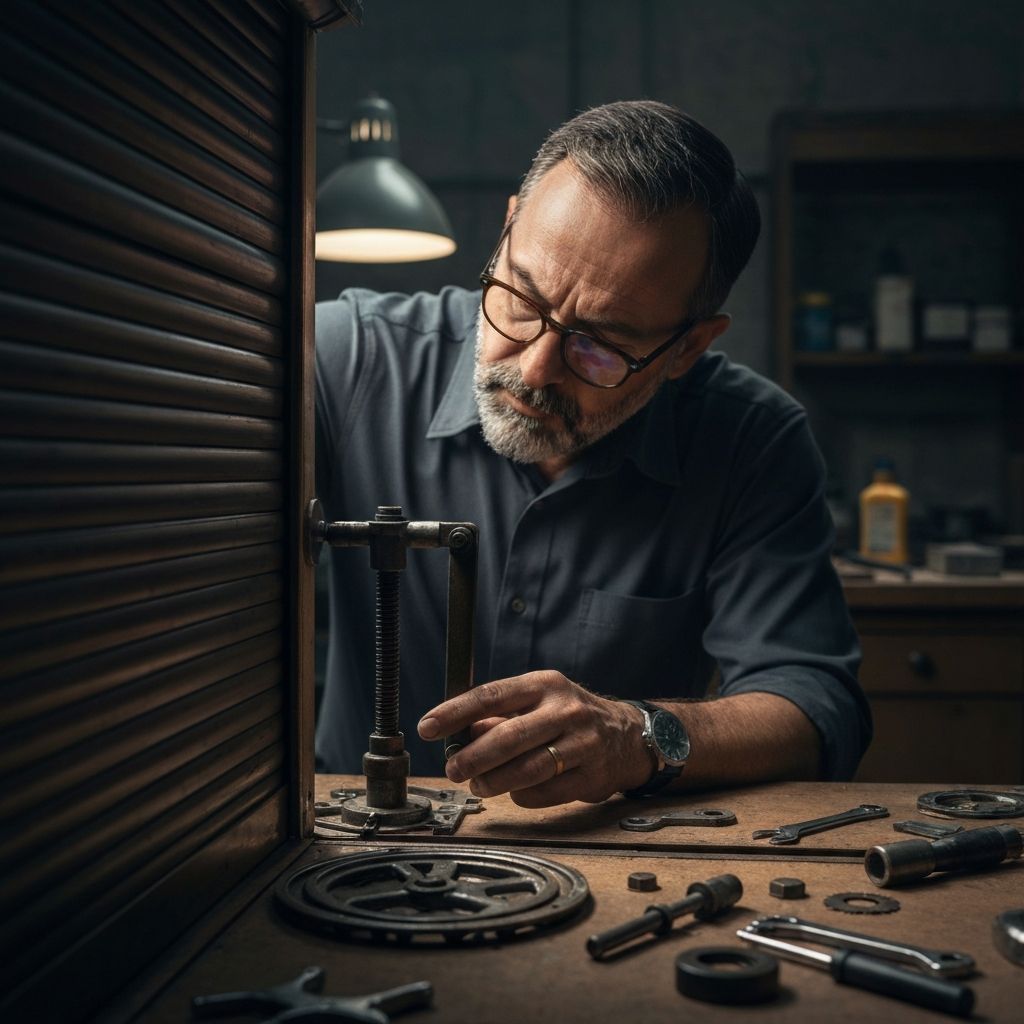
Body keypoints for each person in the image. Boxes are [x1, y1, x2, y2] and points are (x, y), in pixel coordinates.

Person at [315, 100, 871, 807]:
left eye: (601, 345)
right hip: (350, 840)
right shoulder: (347, 359)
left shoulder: (753, 441)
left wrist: (637, 735)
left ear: (688, 348)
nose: (538, 367)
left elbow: (816, 705)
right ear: (510, 225)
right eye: (520, 297)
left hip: (607, 857)